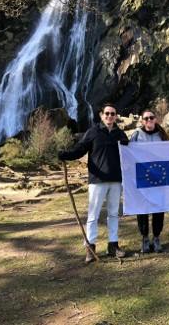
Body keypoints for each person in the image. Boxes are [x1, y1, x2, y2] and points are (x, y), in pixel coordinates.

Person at [58, 103, 129, 263]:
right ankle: (90, 248)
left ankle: (113, 246)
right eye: (107, 113)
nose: (110, 116)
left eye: (113, 114)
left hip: (116, 180)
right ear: (101, 115)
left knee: (113, 214)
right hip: (97, 181)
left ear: (116, 116)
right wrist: (65, 155)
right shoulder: (93, 132)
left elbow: (131, 152)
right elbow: (80, 150)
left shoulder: (120, 134)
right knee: (93, 215)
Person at [130, 109, 169, 253]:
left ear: (155, 119)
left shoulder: (162, 135)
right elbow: (128, 154)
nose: (149, 120)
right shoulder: (136, 135)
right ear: (142, 121)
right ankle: (145, 238)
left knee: (158, 208)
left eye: (151, 118)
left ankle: (157, 237)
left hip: (159, 176)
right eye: (146, 118)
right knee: (142, 209)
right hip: (142, 177)